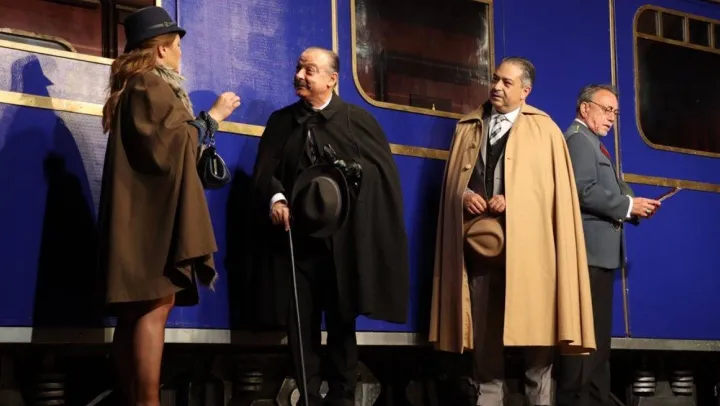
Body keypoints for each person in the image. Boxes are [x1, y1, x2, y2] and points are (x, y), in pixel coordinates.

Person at [428, 57, 596, 406]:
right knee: (485, 335)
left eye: (506, 82)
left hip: (531, 252)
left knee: (537, 337)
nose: (496, 87)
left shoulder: (545, 130)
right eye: (495, 80)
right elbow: (453, 182)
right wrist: (465, 194)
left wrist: (514, 198)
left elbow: (555, 194)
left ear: (525, 91)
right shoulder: (469, 127)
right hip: (483, 249)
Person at [249, 46, 409, 406]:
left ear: (331, 79)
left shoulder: (357, 120)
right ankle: (308, 396)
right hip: (296, 244)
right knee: (300, 325)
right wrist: (277, 199)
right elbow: (264, 173)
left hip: (342, 245)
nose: (299, 76)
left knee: (341, 324)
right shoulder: (281, 122)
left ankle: (342, 398)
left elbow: (380, 178)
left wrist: (351, 182)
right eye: (299, 68)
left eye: (309, 70)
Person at [97, 6, 240, 406]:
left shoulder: (136, 85)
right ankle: (147, 401)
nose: (180, 53)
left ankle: (135, 398)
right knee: (154, 305)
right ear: (161, 49)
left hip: (143, 216)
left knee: (139, 309)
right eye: (177, 46)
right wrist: (212, 118)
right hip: (150, 222)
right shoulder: (150, 84)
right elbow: (169, 145)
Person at [556, 84, 661, 406]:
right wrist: (627, 206)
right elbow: (582, 190)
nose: (612, 117)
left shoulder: (593, 143)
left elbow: (605, 188)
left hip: (600, 255)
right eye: (606, 109)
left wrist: (633, 205)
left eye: (615, 112)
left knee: (597, 341)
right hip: (588, 254)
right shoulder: (578, 140)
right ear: (585, 108)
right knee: (586, 341)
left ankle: (595, 399)